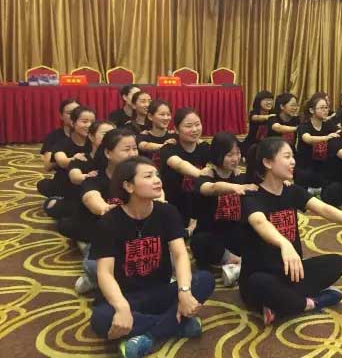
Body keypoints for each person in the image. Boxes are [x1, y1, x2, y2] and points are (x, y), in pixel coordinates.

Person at [241, 137, 342, 325]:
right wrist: (284, 243)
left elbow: (323, 209)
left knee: (336, 263)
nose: (293, 162)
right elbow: (259, 222)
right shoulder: (252, 196)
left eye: (293, 156)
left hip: (291, 272)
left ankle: (280, 305)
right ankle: (311, 302)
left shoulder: (292, 191)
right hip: (262, 276)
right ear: (268, 162)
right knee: (259, 283)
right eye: (287, 157)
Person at [90, 156, 215, 358]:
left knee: (205, 279)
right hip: (127, 297)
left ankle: (147, 335)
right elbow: (105, 273)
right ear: (128, 186)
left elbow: (180, 255)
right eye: (148, 176)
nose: (157, 180)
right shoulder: (109, 222)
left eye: (157, 175)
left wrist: (184, 291)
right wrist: (122, 307)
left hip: (160, 290)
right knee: (101, 318)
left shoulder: (167, 212)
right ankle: (177, 325)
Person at [63, 128, 140, 294]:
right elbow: (91, 198)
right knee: (94, 266)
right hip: (106, 238)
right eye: (126, 149)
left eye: (135, 148)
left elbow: (158, 195)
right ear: (108, 153)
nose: (133, 154)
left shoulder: (142, 177)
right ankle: (93, 278)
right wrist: (106, 209)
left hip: (137, 237)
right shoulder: (95, 178)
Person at [192, 133, 257, 285]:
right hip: (211, 235)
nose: (235, 159)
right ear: (217, 154)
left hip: (234, 234)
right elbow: (212, 188)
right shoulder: (206, 176)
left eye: (238, 153)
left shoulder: (240, 176)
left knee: (256, 232)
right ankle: (238, 263)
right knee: (200, 241)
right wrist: (235, 187)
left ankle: (235, 265)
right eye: (229, 155)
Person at [159, 108, 210, 233]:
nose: (194, 129)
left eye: (197, 124)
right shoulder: (169, 148)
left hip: (198, 201)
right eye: (188, 126)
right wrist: (201, 173)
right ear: (176, 129)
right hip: (174, 203)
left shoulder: (205, 148)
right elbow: (180, 165)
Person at [42, 106, 96, 218]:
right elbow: (62, 161)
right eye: (84, 121)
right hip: (67, 184)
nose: (89, 125)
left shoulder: (95, 142)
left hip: (89, 184)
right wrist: (73, 159)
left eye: (92, 122)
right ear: (73, 123)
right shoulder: (63, 143)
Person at [294, 95, 339, 191]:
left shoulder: (328, 124)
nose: (325, 110)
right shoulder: (304, 125)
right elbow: (307, 139)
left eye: (326, 107)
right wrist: (326, 137)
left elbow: (339, 132)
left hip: (323, 166)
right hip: (305, 166)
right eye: (322, 108)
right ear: (311, 110)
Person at [40, 98, 80, 173]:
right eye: (70, 113)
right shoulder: (54, 136)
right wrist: (67, 159)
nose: (74, 116)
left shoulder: (90, 134)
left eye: (77, 112)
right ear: (61, 116)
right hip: (63, 174)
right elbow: (48, 166)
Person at [136, 100, 177, 167]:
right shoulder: (143, 136)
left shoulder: (174, 136)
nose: (166, 118)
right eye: (162, 114)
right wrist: (164, 146)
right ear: (150, 116)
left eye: (168, 114)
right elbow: (144, 146)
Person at [242, 90, 275, 155]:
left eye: (271, 100)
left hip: (269, 143)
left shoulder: (274, 113)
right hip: (252, 143)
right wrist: (269, 117)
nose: (269, 102)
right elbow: (255, 118)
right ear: (259, 101)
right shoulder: (254, 113)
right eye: (266, 100)